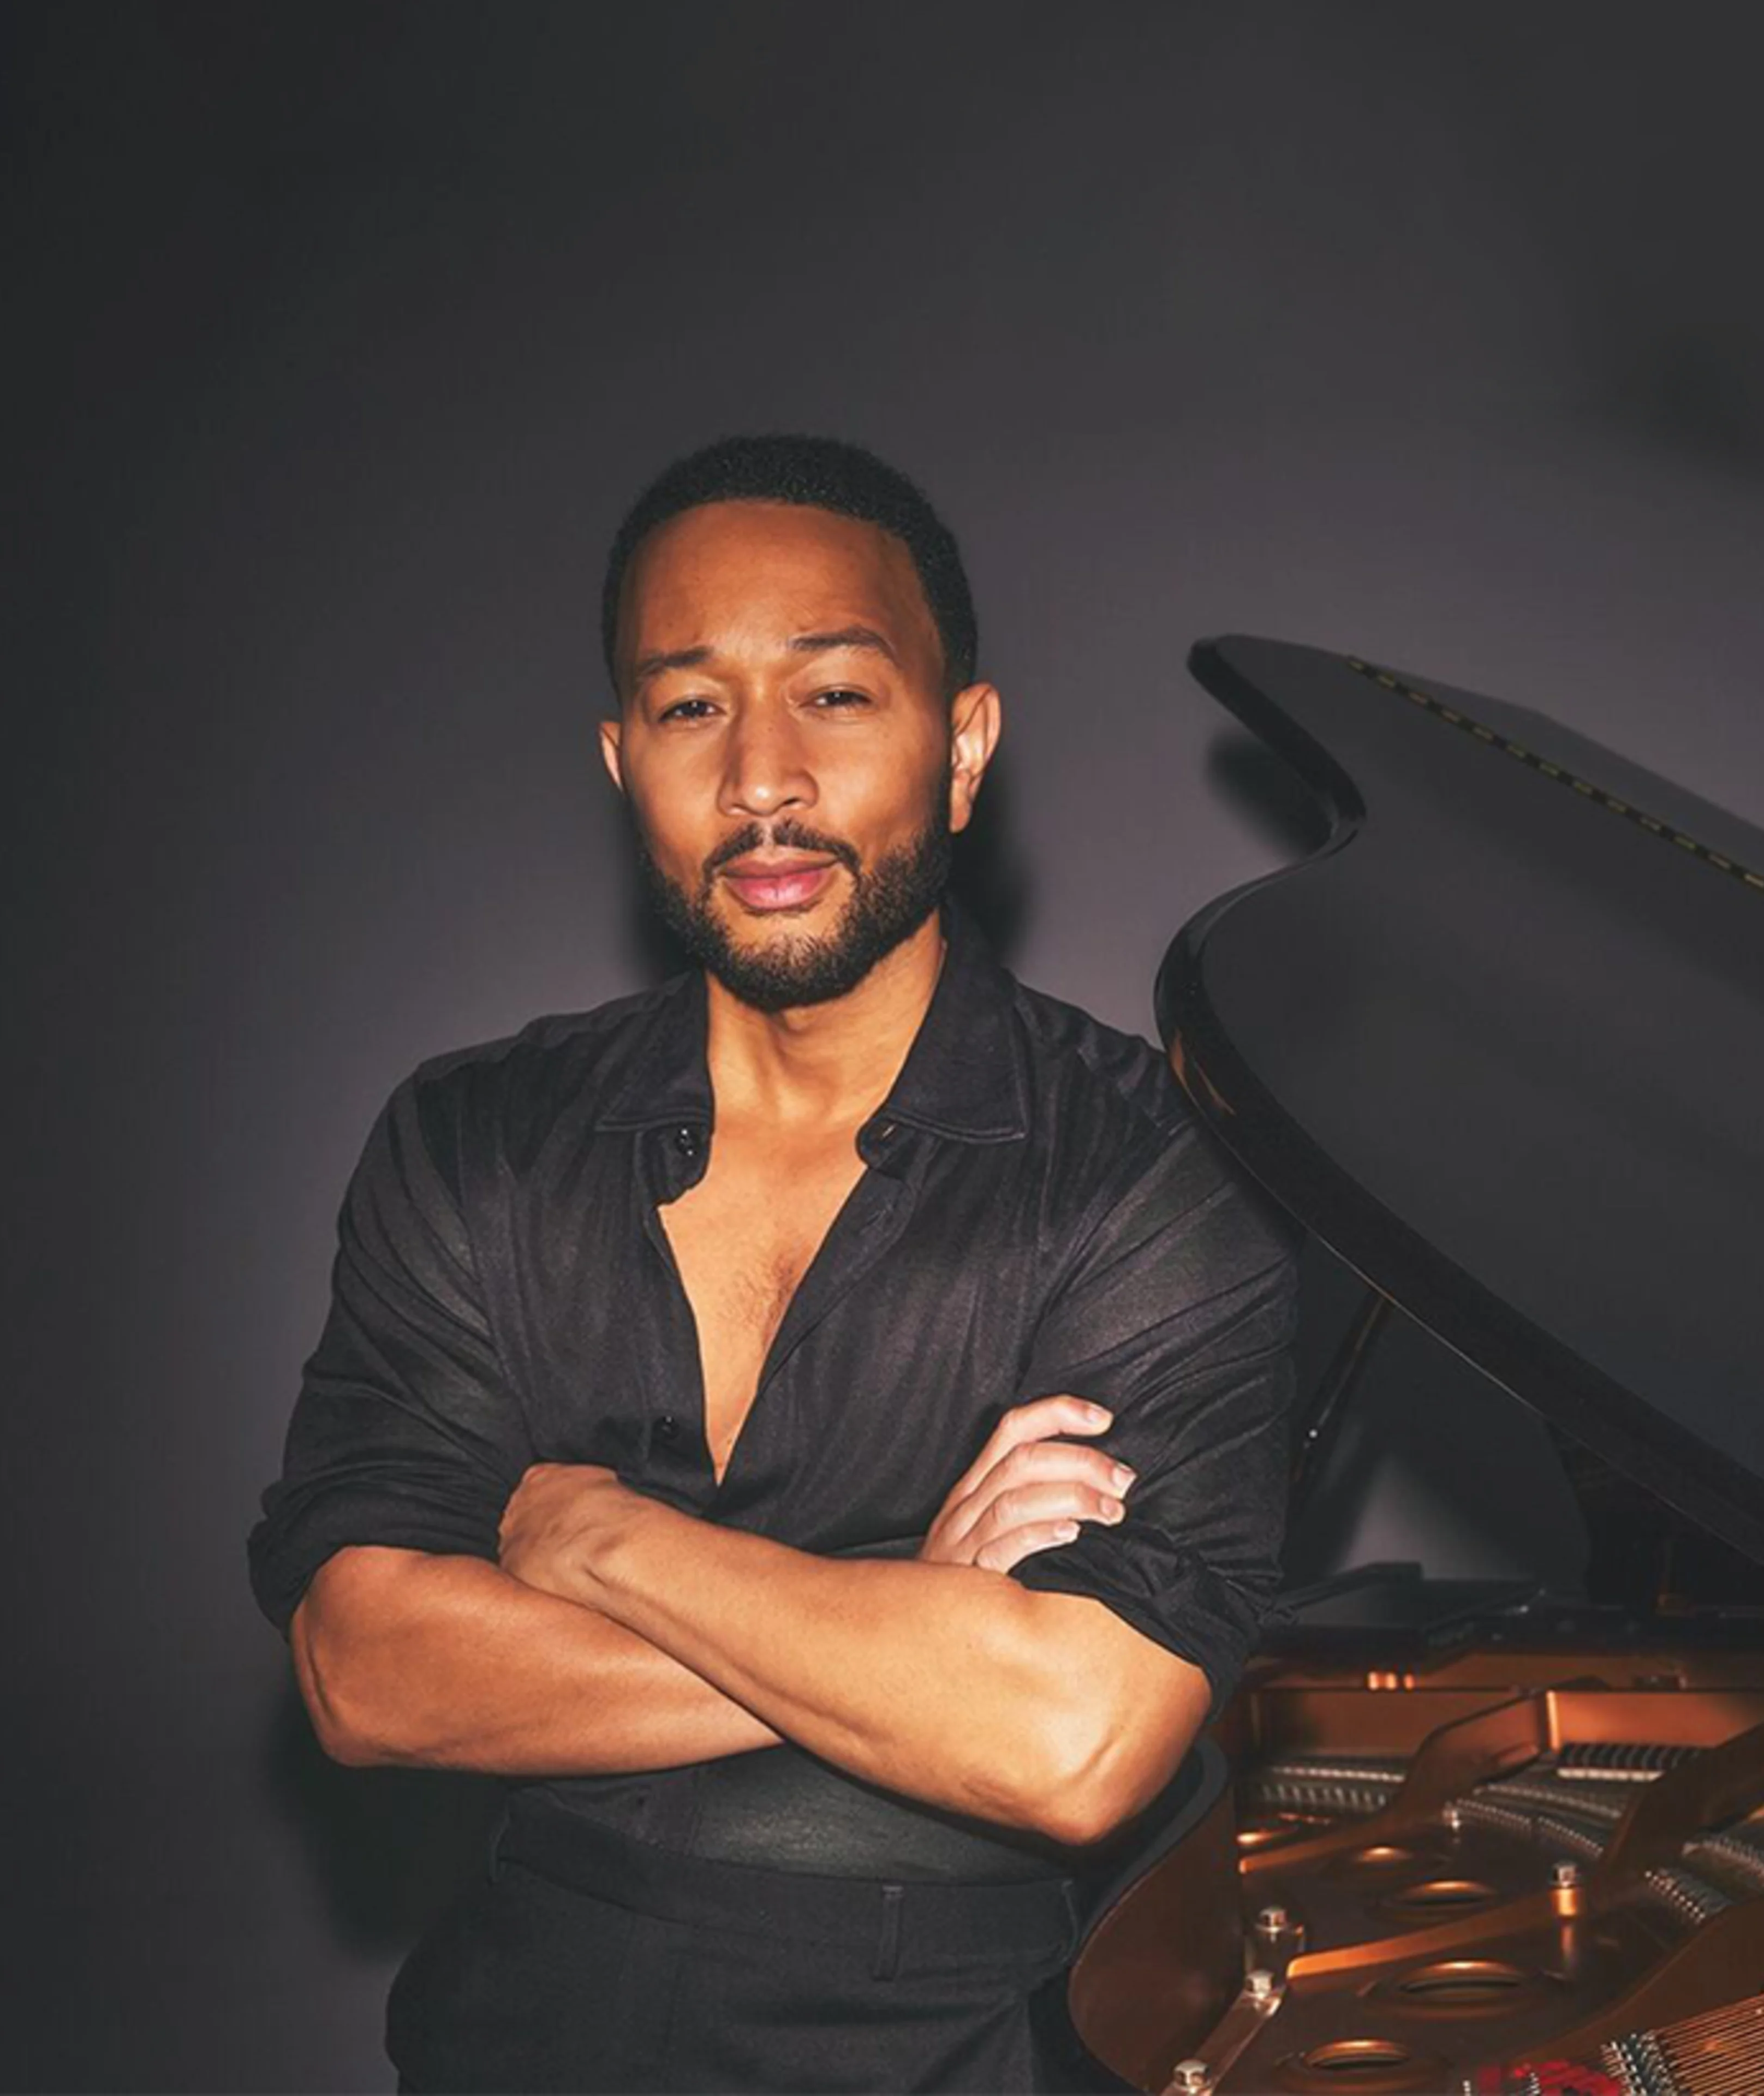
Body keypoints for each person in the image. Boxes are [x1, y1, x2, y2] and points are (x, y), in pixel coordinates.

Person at [248, 434, 1297, 2094]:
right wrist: (914, 1618)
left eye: (834, 696)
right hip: (519, 2037)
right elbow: (366, 1670)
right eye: (688, 709)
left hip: (950, 2050)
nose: (759, 783)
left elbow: (1072, 1740)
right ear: (620, 761)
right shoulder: (477, 1143)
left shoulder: (1148, 1175)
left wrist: (591, 1536)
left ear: (962, 749)